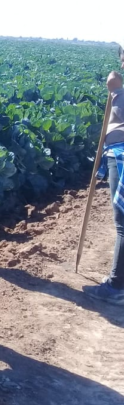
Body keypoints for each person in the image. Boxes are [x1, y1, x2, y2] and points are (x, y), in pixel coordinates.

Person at [83, 41, 124, 305]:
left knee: (123, 222)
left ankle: (116, 286)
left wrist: (118, 91)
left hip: (121, 158)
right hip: (115, 156)